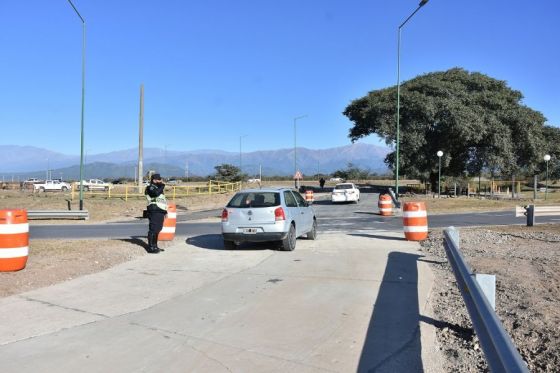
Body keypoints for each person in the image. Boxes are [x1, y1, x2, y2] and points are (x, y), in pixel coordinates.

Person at [145, 173, 168, 253]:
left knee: (158, 229)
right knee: (153, 229)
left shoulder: (159, 188)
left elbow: (162, 201)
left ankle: (155, 246)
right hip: (154, 210)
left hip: (160, 211)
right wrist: (162, 186)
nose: (160, 181)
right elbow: (154, 194)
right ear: (154, 180)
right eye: (159, 179)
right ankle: (151, 247)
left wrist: (165, 212)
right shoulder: (150, 187)